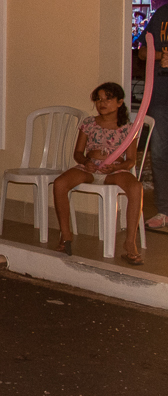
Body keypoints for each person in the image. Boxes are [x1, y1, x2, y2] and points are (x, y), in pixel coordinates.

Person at [52, 82, 143, 263]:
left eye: (108, 99)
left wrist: (117, 167)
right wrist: (86, 162)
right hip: (90, 168)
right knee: (60, 183)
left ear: (119, 102)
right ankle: (66, 234)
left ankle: (130, 242)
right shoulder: (89, 123)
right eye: (99, 99)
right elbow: (78, 153)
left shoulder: (128, 128)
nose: (102, 103)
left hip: (114, 171)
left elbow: (131, 160)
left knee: (136, 188)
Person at [139, 0, 168, 231]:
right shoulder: (161, 15)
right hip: (160, 98)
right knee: (159, 155)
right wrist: (160, 55)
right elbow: (142, 52)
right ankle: (164, 211)